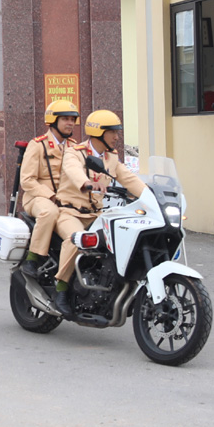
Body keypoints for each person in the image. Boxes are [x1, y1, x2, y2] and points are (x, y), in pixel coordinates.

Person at [52, 109, 145, 317]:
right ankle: (61, 290)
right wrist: (86, 183)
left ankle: (114, 287)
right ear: (99, 132)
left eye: (117, 132)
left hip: (97, 215)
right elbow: (73, 169)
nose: (116, 137)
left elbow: (129, 178)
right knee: (76, 239)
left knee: (125, 237)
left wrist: (151, 195)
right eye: (112, 132)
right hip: (70, 212)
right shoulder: (75, 151)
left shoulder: (111, 157)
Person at [18, 99, 79, 277]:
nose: (70, 123)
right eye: (65, 119)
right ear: (53, 122)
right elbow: (27, 180)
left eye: (72, 119)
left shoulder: (75, 147)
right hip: (37, 198)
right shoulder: (38, 145)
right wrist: (50, 196)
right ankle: (33, 257)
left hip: (66, 201)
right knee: (49, 212)